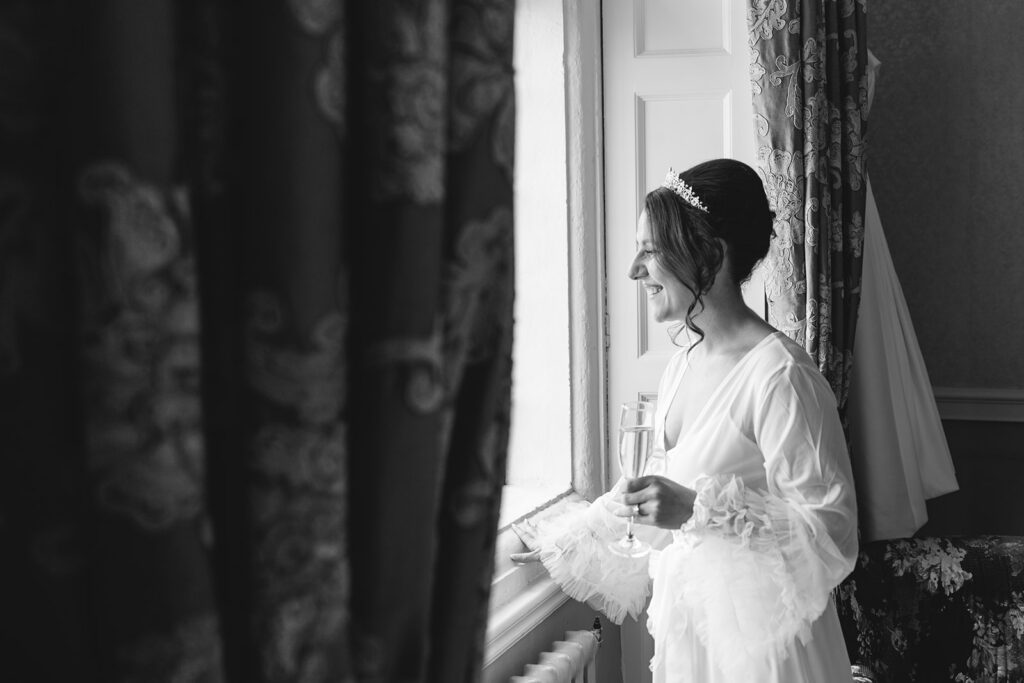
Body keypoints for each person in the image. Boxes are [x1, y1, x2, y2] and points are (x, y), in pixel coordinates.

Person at [512, 159, 859, 682]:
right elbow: (648, 493)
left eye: (650, 250)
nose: (634, 270)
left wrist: (698, 511)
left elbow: (831, 533)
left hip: (767, 658)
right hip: (691, 640)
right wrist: (563, 541)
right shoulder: (680, 366)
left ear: (710, 256)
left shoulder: (781, 377)